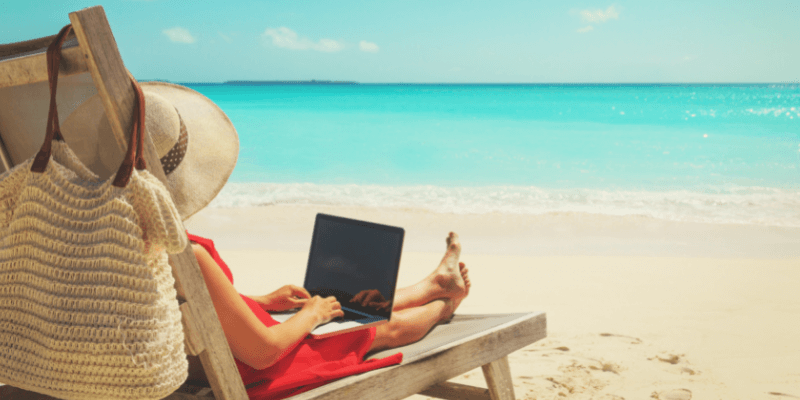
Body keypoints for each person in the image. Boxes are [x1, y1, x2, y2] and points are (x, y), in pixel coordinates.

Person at [63, 81, 471, 399]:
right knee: (376, 329)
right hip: (247, 368)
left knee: (337, 303)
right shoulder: (187, 251)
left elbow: (170, 304)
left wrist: (259, 303)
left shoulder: (106, 234)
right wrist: (310, 315)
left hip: (210, 347)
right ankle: (443, 305)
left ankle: (433, 284)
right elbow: (263, 353)